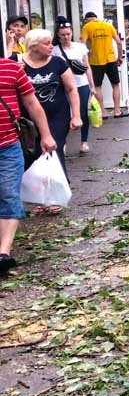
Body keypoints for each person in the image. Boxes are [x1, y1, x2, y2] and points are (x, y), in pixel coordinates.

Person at [0, 55, 56, 276]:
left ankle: (3, 253)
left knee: (8, 193)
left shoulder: (12, 68)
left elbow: (32, 103)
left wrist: (46, 135)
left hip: (8, 145)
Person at [21, 29, 82, 212]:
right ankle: (40, 199)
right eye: (47, 43)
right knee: (32, 155)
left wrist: (76, 115)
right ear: (34, 46)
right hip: (28, 120)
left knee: (53, 150)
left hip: (57, 116)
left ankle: (56, 196)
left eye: (51, 43)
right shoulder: (19, 63)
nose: (51, 46)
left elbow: (72, 89)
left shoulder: (58, 63)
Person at [53, 22, 92, 154]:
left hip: (81, 83)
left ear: (72, 33)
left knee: (82, 112)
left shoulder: (80, 47)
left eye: (68, 34)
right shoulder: (55, 50)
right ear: (58, 35)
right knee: (64, 113)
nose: (66, 37)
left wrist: (92, 86)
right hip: (63, 85)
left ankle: (84, 141)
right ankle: (63, 142)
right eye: (63, 34)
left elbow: (87, 66)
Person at [81, 12, 127, 118]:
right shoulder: (108, 25)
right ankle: (117, 111)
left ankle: (103, 112)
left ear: (87, 19)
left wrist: (85, 57)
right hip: (110, 59)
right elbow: (119, 42)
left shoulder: (87, 27)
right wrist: (119, 56)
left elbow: (82, 44)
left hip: (95, 61)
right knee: (115, 85)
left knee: (97, 87)